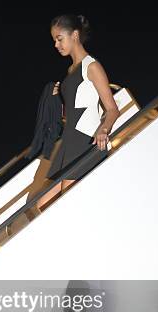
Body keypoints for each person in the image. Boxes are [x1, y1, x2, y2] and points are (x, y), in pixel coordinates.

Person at [37, 14, 120, 209]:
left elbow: (112, 109)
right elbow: (72, 113)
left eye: (59, 39)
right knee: (42, 204)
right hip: (70, 140)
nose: (56, 45)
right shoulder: (70, 71)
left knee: (67, 202)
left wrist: (104, 129)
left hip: (86, 139)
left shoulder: (92, 66)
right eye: (54, 41)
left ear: (74, 35)